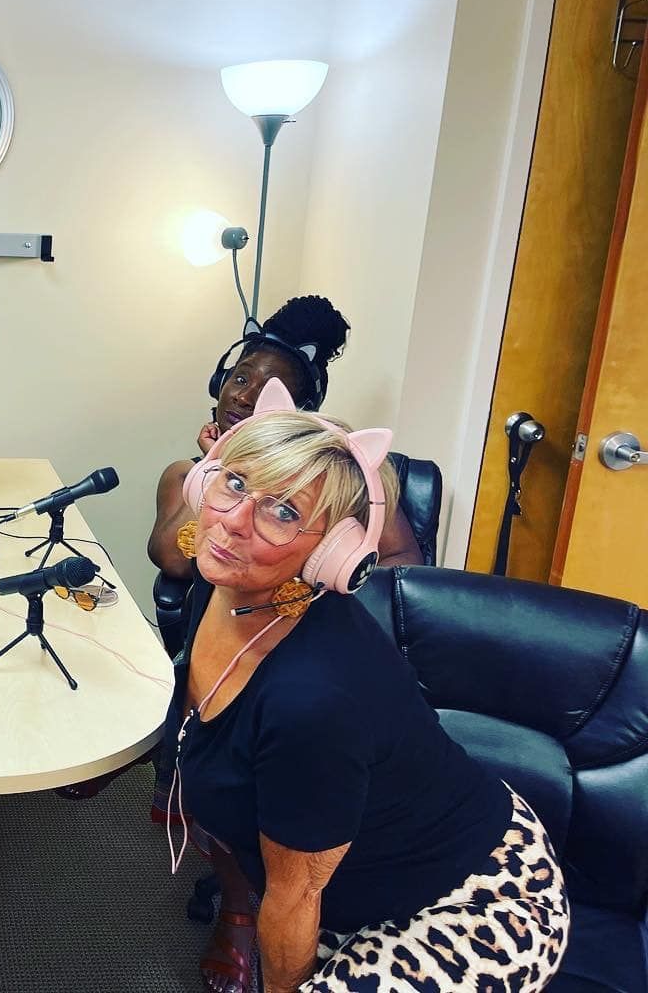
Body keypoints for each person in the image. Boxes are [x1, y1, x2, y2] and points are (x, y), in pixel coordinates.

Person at [163, 379, 568, 993]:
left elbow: (295, 897)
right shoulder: (224, 584)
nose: (232, 523)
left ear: (333, 552)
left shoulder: (312, 700)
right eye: (236, 483)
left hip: (476, 901)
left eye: (284, 512)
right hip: (362, 881)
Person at [148, 296, 423, 583]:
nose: (244, 397)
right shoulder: (184, 475)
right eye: (241, 379)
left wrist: (325, 579)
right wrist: (218, 464)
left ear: (298, 411)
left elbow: (406, 565)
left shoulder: (334, 479)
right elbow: (174, 561)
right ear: (220, 382)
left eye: (268, 390)